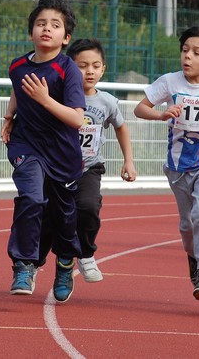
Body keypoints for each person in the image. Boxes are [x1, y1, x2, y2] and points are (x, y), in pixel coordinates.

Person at [134, 25, 199, 302]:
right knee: (187, 223)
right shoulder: (170, 82)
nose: (187, 57)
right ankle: (194, 256)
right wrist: (161, 114)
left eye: (196, 52)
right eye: (185, 50)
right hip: (177, 166)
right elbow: (140, 108)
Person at [0, 0, 85, 303]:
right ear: (31, 31)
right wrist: (9, 117)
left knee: (63, 218)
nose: (46, 28)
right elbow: (17, 89)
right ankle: (24, 264)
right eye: (40, 23)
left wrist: (45, 99)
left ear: (66, 37)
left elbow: (77, 118)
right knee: (31, 198)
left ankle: (64, 263)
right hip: (26, 145)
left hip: (62, 154)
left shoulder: (68, 70)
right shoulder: (18, 65)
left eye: (55, 25)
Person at [59, 38, 138, 282]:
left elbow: (121, 127)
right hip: (58, 168)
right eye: (82, 66)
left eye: (95, 65)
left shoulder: (107, 101)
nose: (89, 71)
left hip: (89, 167)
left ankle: (85, 253)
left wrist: (128, 160)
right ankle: (58, 260)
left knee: (89, 208)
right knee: (55, 216)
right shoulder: (58, 97)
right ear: (69, 68)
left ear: (103, 69)